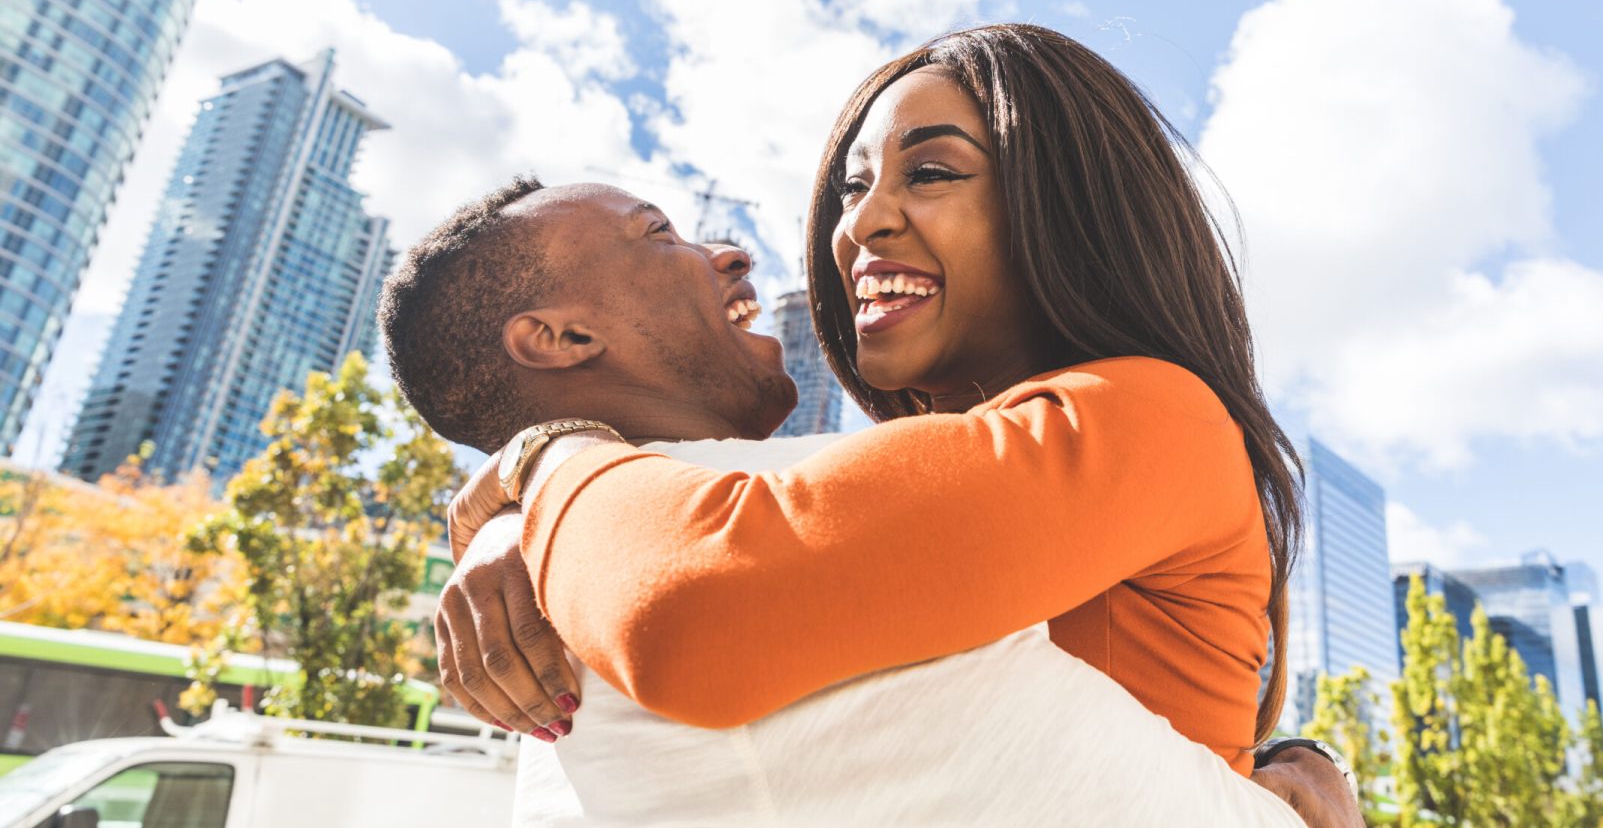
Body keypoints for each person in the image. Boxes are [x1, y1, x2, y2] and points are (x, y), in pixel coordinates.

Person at [385, 180, 1356, 825]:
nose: (728, 255)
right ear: (558, 339)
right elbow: (701, 596)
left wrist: (537, 478)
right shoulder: (747, 536)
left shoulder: (566, 591)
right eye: (658, 235)